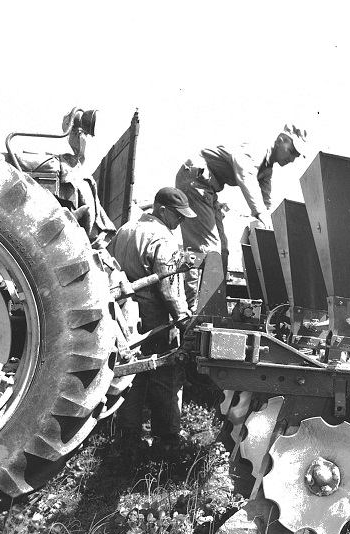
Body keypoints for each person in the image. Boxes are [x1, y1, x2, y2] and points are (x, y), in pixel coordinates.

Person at [174, 124, 309, 308]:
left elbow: (266, 203)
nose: (292, 158)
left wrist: (271, 228)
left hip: (208, 189)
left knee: (221, 250)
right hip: (196, 181)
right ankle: (193, 309)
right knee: (205, 250)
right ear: (281, 139)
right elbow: (245, 175)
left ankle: (213, 305)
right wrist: (259, 213)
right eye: (292, 151)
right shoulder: (258, 148)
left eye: (296, 155)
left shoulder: (267, 169)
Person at [108, 187, 196, 449]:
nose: (180, 222)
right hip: (155, 321)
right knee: (166, 377)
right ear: (162, 210)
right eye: (178, 216)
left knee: (130, 374)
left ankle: (127, 436)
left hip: (125, 319)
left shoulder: (125, 230)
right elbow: (169, 288)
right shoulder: (163, 239)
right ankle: (167, 438)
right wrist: (183, 319)